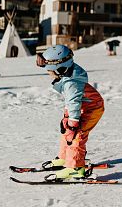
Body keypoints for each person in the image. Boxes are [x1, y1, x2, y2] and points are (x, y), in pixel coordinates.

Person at [36, 45, 104, 179]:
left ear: (59, 69)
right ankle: (64, 158)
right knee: (67, 132)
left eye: (50, 70)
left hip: (93, 108)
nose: (49, 73)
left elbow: (74, 102)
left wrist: (73, 123)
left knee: (77, 135)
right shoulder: (68, 74)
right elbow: (71, 101)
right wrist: (67, 119)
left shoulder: (71, 83)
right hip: (82, 107)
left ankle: (75, 168)